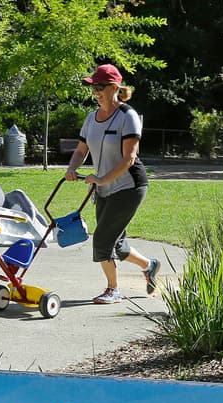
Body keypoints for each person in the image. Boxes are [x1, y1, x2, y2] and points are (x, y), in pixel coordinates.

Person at [64, 64, 160, 305]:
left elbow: (128, 159)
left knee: (102, 241)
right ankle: (149, 266)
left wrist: (100, 179)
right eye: (92, 87)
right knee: (117, 244)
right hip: (104, 187)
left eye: (99, 86)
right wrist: (72, 168)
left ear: (114, 87)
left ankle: (113, 290)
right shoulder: (91, 118)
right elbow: (81, 150)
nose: (95, 91)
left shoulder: (127, 116)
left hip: (129, 186)